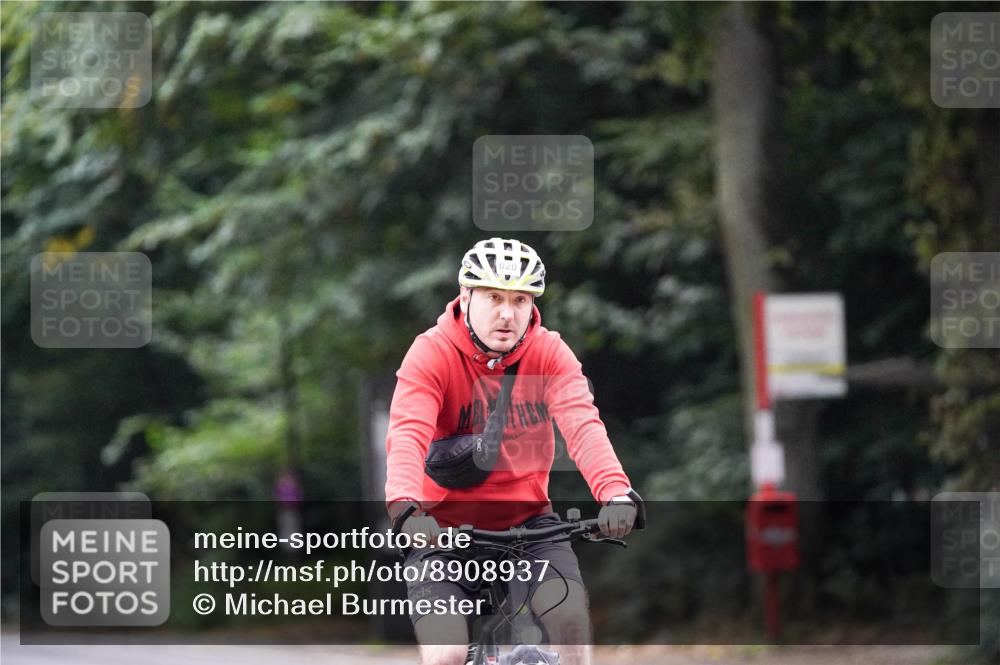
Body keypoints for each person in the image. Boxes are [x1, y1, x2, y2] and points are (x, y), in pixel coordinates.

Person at [385, 237, 640, 665]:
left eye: (520, 300)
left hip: (530, 528)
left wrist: (615, 493)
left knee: (572, 628)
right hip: (442, 534)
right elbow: (407, 434)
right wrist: (406, 509)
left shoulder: (549, 352)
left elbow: (583, 427)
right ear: (466, 297)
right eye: (493, 297)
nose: (507, 313)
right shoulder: (430, 353)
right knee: (446, 655)